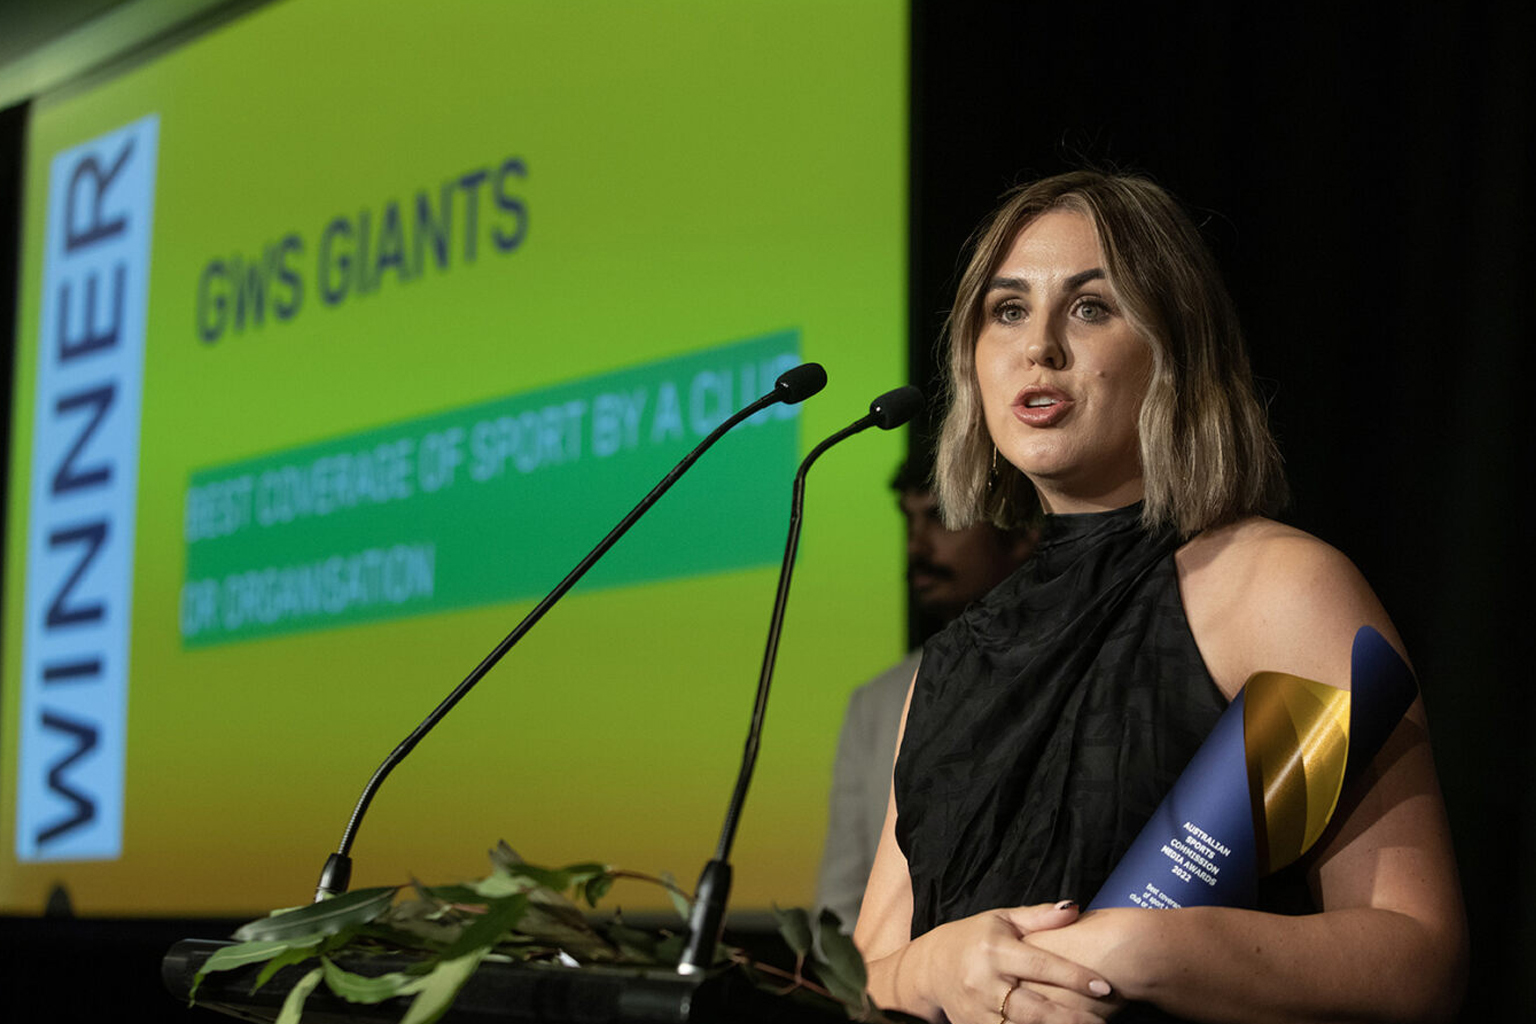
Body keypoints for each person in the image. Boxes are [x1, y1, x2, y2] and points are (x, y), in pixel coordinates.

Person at [853, 172, 1467, 1024]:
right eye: (1007, 310)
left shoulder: (1279, 589)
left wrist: (1147, 953)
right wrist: (930, 971)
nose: (1040, 347)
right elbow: (859, 978)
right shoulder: (954, 661)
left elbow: (1420, 960)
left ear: (1176, 347)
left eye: (1092, 308)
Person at [817, 458, 1036, 929]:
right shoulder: (876, 703)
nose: (916, 546)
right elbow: (840, 906)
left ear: (1021, 531)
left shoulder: (1083, 666)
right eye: (908, 520)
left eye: (940, 518)